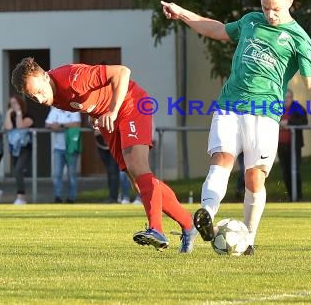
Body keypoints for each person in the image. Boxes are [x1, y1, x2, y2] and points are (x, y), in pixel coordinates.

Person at [161, 0, 311, 255]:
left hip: (265, 113)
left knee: (255, 178)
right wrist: (182, 13)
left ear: (291, 1)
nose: (270, 14)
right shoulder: (250, 21)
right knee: (222, 160)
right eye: (266, 7)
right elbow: (216, 29)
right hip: (229, 105)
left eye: (276, 8)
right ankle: (205, 213)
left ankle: (248, 238)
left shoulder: (299, 39)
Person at [11, 57, 197, 253]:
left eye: (39, 92)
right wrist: (94, 112)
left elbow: (123, 71)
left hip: (131, 104)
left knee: (138, 167)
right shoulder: (53, 96)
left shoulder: (74, 78)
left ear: (45, 76)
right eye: (33, 97)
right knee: (137, 182)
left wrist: (112, 111)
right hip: (108, 117)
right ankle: (188, 224)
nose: (39, 99)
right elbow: (87, 97)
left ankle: (156, 230)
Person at [45, 106, 81, 204]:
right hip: (58, 148)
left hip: (71, 148)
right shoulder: (54, 110)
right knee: (57, 174)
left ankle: (71, 198)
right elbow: (47, 125)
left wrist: (60, 125)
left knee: (72, 174)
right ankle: (57, 197)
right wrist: (66, 126)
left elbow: (76, 124)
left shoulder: (74, 110)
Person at [3, 94, 34, 205]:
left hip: (25, 147)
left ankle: (21, 197)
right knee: (16, 171)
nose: (13, 105)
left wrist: (19, 113)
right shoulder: (10, 116)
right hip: (14, 148)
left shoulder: (28, 115)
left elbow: (20, 126)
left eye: (15, 103)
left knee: (18, 169)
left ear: (20, 103)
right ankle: (20, 197)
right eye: (11, 104)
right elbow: (8, 127)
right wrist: (8, 113)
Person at [278, 89, 308, 201]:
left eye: (288, 97)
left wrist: (288, 123)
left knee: (294, 171)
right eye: (284, 98)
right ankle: (291, 197)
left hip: (294, 145)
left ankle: (298, 197)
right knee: (285, 172)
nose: (285, 100)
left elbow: (304, 122)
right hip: (281, 145)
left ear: (291, 97)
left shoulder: (297, 108)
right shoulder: (277, 108)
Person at [94, 129, 121, 203]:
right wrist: (94, 127)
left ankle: (114, 197)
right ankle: (112, 196)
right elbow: (90, 122)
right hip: (101, 145)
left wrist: (104, 130)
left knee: (113, 171)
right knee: (110, 171)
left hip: (115, 144)